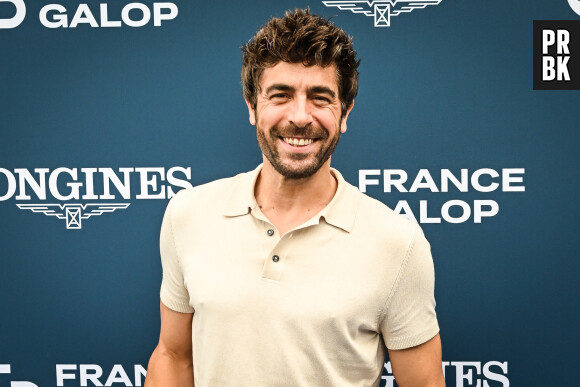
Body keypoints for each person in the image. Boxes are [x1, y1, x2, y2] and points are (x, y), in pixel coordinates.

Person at [145, 8, 444, 387]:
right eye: (281, 95)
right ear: (252, 107)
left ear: (345, 112)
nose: (300, 117)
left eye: (320, 97)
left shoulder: (398, 243)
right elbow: (173, 356)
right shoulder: (188, 214)